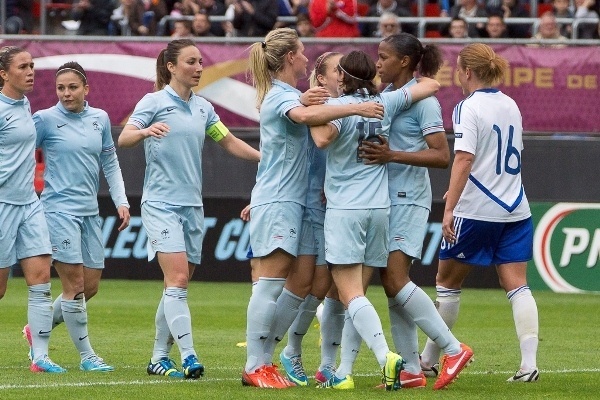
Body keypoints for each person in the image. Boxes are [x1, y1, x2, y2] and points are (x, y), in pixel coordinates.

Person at [243, 27, 386, 389]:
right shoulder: (279, 96)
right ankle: (255, 364)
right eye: (303, 52)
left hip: (300, 202)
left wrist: (320, 101)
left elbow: (310, 116)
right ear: (291, 57)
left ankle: (269, 359)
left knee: (305, 282)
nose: (307, 58)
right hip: (279, 199)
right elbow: (307, 120)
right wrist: (359, 105)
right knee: (270, 283)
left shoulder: (293, 94)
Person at [118, 38, 261, 379]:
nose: (199, 67)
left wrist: (265, 159)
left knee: (176, 285)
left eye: (200, 62)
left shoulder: (203, 108)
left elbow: (227, 141)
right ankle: (190, 355)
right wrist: (145, 131)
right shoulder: (153, 102)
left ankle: (157, 357)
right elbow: (124, 138)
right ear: (170, 66)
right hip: (161, 204)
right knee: (178, 279)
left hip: (192, 207)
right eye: (191, 62)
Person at [308, 50, 440, 390]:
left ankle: (386, 357)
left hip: (346, 210)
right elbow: (431, 85)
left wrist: (310, 110)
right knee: (357, 292)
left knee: (349, 293)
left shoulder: (340, 111)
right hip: (380, 210)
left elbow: (321, 138)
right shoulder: (386, 103)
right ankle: (343, 371)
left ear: (342, 77)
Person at [358, 32, 473, 391]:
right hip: (386, 199)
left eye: (384, 56)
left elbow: (441, 156)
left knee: (394, 278)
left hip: (410, 198)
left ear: (404, 61)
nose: (377, 63)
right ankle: (410, 370)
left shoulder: (424, 102)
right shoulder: (388, 97)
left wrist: (393, 155)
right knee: (392, 287)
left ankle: (453, 350)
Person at [419, 43, 540, 384]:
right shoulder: (510, 104)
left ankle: (428, 359)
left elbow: (464, 158)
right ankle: (528, 365)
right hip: (516, 205)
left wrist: (451, 207)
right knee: (517, 285)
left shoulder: (467, 108)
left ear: (467, 72)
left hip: (478, 208)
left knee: (447, 282)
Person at [29, 61, 131, 373]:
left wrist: (121, 201)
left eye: (72, 87)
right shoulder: (44, 120)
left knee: (90, 286)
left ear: (86, 89)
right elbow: (20, 155)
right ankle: (87, 356)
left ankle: (36, 328)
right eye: (61, 88)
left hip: (90, 213)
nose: (66, 93)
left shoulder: (99, 118)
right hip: (58, 211)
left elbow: (110, 162)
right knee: (73, 285)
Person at [276, 51, 344, 387]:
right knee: (306, 284)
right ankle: (278, 351)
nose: (343, 74)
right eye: (337, 69)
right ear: (320, 78)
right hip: (309, 203)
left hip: (341, 207)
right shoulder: (315, 106)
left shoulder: (349, 105)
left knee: (329, 287)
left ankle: (327, 363)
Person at [0, 46, 63, 373]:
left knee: (40, 279)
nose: (30, 71)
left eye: (32, 65)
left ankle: (40, 357)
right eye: (23, 66)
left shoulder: (24, 104)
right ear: (3, 74)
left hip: (29, 203)